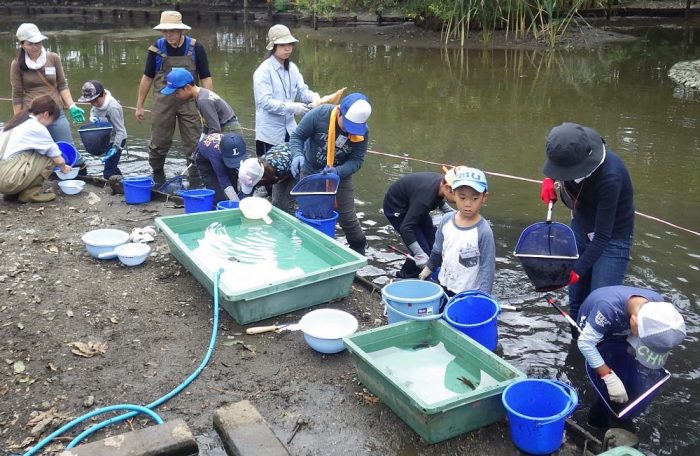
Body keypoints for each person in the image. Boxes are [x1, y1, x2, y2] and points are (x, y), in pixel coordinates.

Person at [540, 122, 635, 337]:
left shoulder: (610, 177)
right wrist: (548, 179)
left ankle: (599, 351)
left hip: (612, 236)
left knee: (600, 302)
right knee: (576, 298)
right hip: (581, 224)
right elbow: (559, 161)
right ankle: (576, 342)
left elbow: (602, 237)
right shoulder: (569, 149)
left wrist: (576, 271)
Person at [576, 285, 686, 429]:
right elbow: (585, 344)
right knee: (605, 369)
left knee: (626, 368)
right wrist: (607, 375)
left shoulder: (659, 305)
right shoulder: (607, 309)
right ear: (633, 322)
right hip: (597, 324)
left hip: (624, 331)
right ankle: (596, 421)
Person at [289, 93, 372, 255]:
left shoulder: (363, 132)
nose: (349, 131)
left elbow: (357, 161)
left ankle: (359, 253)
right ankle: (309, 252)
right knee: (310, 215)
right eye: (347, 125)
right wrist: (297, 155)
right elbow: (297, 137)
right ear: (340, 111)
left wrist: (337, 171)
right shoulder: (319, 115)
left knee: (348, 218)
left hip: (340, 175)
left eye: (354, 128)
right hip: (311, 170)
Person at [134, 11, 212, 185]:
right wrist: (139, 105)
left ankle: (195, 179)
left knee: (194, 142)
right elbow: (147, 78)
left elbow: (206, 77)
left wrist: (208, 105)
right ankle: (158, 174)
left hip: (190, 102)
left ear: (180, 30)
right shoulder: (156, 49)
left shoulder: (196, 48)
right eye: (165, 31)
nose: (168, 35)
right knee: (158, 141)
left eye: (172, 31)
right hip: (163, 101)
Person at [10, 23, 87, 173]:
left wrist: (72, 105)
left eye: (38, 42)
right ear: (22, 45)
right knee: (36, 150)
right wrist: (17, 120)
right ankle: (39, 178)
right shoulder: (17, 64)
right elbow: (17, 94)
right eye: (30, 43)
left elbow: (62, 85)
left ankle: (78, 173)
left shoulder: (53, 58)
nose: (35, 46)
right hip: (32, 116)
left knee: (66, 145)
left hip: (55, 111)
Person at [419, 167, 495, 296]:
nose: (468, 204)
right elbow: (437, 250)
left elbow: (487, 267)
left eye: (475, 198)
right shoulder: (446, 220)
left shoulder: (483, 231)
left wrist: (483, 297)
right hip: (444, 283)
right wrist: (428, 269)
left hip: (468, 292)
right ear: (453, 194)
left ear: (484, 197)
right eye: (462, 197)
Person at [253, 24, 321, 157]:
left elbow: (302, 91)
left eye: (290, 44)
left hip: (291, 130)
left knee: (293, 169)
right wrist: (293, 108)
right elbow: (265, 102)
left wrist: (314, 97)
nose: (287, 48)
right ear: (273, 46)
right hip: (269, 134)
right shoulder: (263, 71)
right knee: (270, 174)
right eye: (283, 45)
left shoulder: (293, 68)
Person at [0, 95, 72, 203]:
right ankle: (30, 194)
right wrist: (64, 168)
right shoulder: (37, 128)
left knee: (35, 153)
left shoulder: (16, 122)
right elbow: (57, 158)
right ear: (46, 114)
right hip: (8, 181)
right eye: (51, 121)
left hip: (4, 178)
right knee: (49, 156)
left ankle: (12, 194)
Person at [383, 171, 456, 278]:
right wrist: (419, 254)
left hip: (414, 204)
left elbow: (438, 199)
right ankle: (404, 276)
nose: (459, 198)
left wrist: (457, 215)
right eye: (459, 195)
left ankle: (423, 274)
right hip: (398, 209)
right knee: (423, 250)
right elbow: (405, 228)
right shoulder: (425, 199)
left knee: (433, 245)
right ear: (447, 188)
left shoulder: (440, 185)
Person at [161, 67, 241, 135]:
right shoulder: (200, 94)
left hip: (230, 132)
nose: (176, 96)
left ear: (188, 87)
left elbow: (215, 130)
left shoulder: (203, 100)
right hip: (225, 129)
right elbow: (207, 124)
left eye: (177, 92)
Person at [78, 80, 127, 179]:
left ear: (103, 94)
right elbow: (93, 110)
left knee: (108, 172)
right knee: (112, 166)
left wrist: (116, 147)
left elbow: (120, 131)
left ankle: (117, 188)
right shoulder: (95, 104)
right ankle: (123, 182)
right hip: (107, 136)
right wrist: (92, 117)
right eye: (91, 102)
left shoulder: (112, 108)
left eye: (96, 100)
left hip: (118, 139)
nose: (94, 104)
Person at [238, 143, 295, 213]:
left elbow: (295, 174)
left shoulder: (280, 166)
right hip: (279, 172)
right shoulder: (256, 167)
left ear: (262, 180)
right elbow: (250, 189)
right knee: (276, 202)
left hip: (298, 166)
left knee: (288, 203)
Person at [194, 133, 247, 204]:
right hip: (205, 161)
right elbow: (223, 180)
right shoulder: (216, 156)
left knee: (233, 182)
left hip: (227, 154)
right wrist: (238, 204)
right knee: (218, 196)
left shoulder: (239, 148)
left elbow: (243, 170)